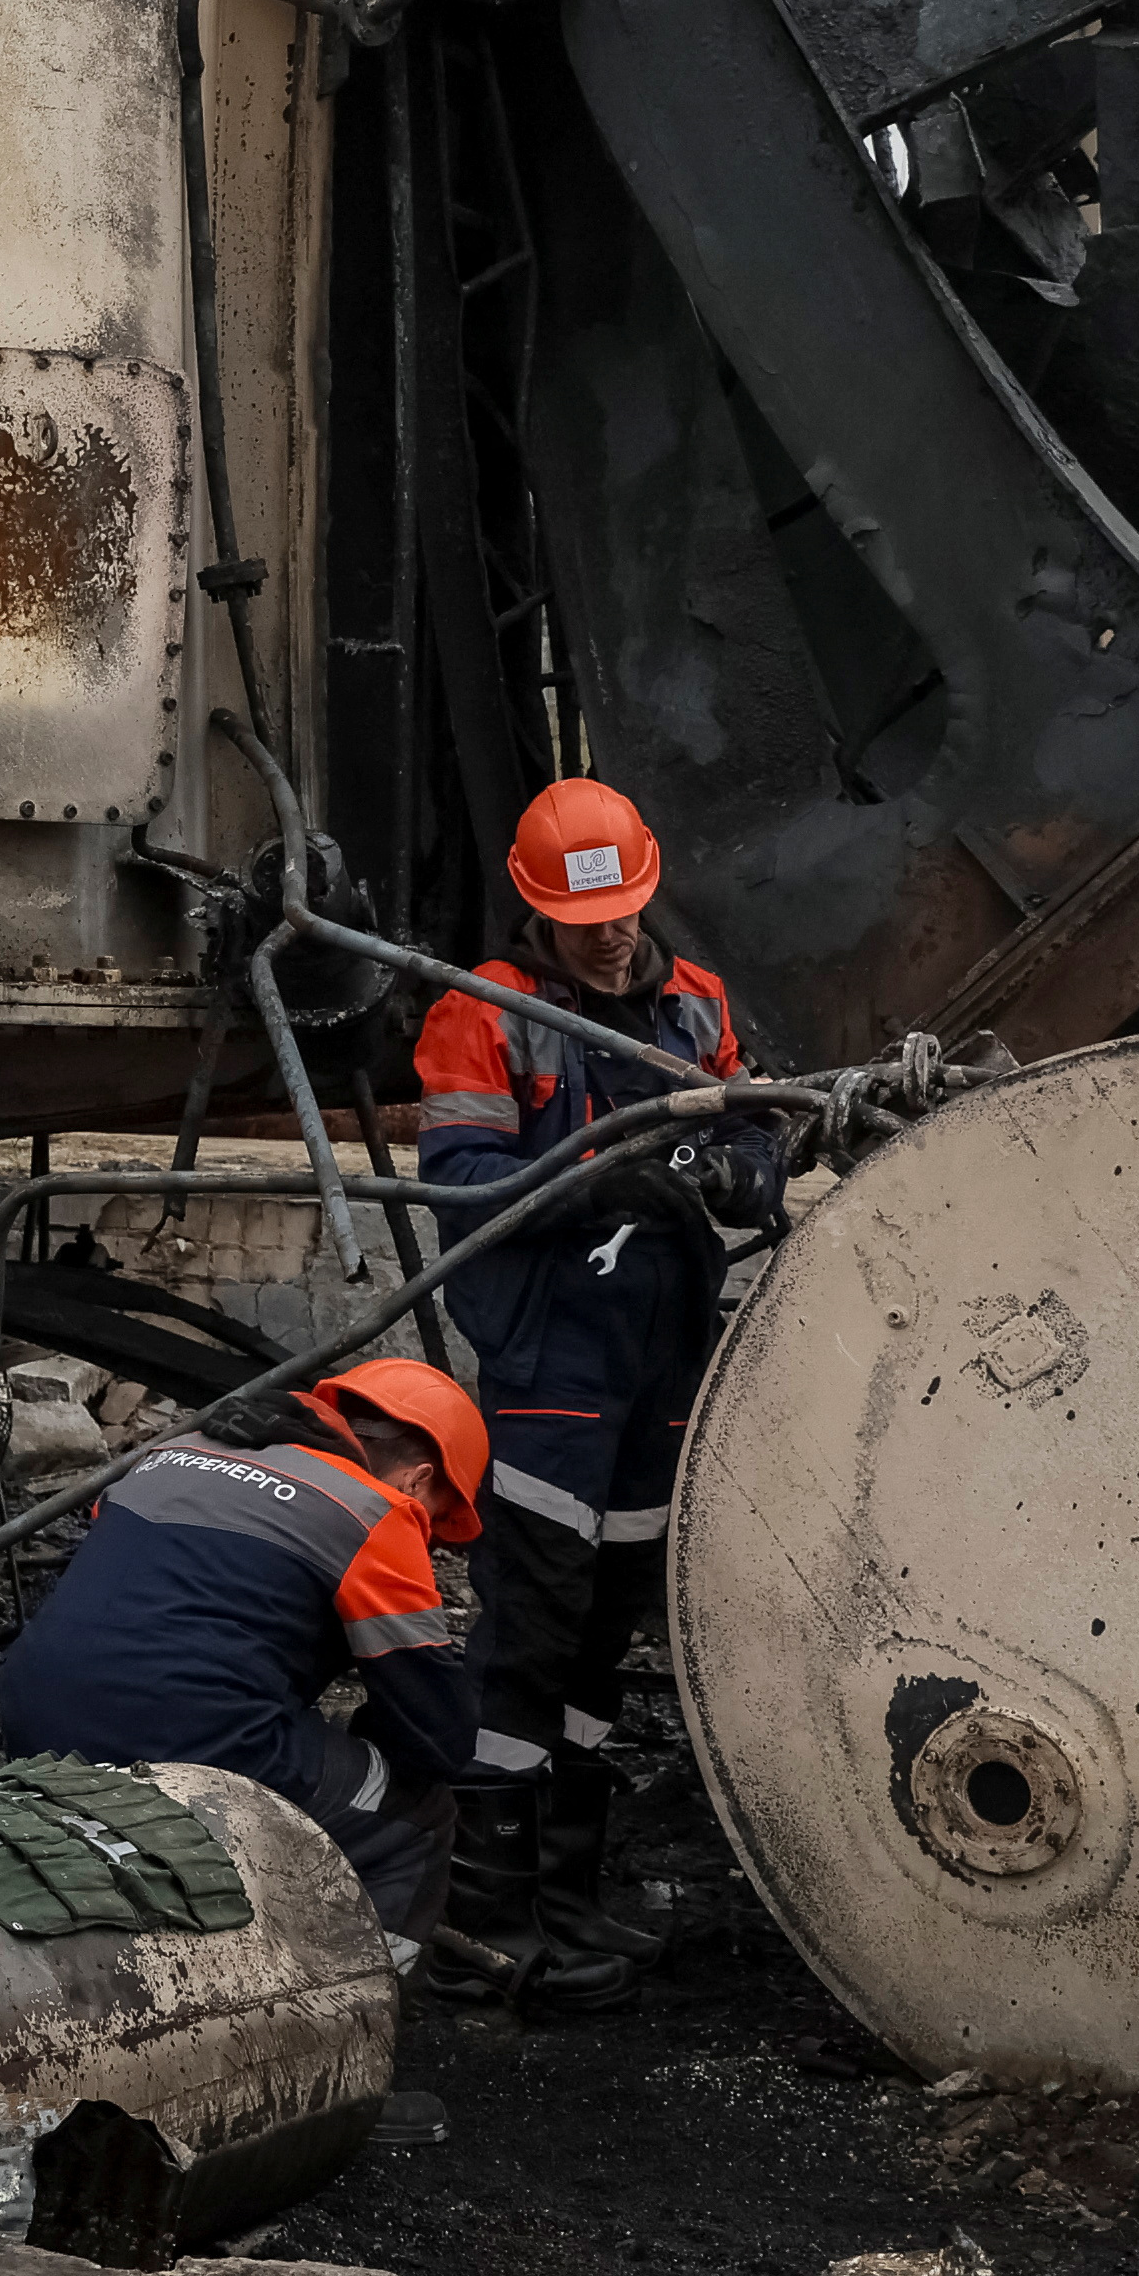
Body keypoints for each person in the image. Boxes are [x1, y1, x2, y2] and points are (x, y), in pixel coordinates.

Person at [403, 776, 783, 2009]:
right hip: (553, 1358)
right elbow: (463, 1179)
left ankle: (566, 1897)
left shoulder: (694, 1004)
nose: (610, 932)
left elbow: (755, 1135)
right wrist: (618, 1174)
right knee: (531, 1629)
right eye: (584, 919)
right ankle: (479, 1920)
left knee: (610, 1621)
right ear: (535, 912)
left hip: (661, 1355)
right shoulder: (485, 1014)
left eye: (622, 907)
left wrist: (738, 1165)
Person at [0, 1354, 496, 1966]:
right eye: (436, 1521)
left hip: (24, 1718)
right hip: (188, 1743)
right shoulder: (373, 1512)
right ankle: (349, 2011)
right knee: (417, 1813)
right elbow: (440, 1737)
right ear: (416, 1480)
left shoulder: (168, 1454)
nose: (427, 1535)